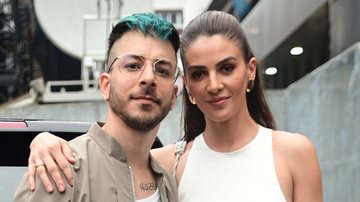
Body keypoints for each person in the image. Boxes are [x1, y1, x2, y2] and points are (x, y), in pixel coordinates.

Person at [24, 11, 323, 201]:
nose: (214, 84)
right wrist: (41, 139)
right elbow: (109, 156)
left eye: (227, 68)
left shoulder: (294, 154)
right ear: (188, 88)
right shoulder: (169, 165)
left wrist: (43, 139)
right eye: (198, 73)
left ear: (251, 70)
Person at [13, 13, 180, 202]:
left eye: (162, 70)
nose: (149, 78)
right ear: (106, 86)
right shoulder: (60, 172)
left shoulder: (167, 184)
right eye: (133, 65)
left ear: (174, 96)